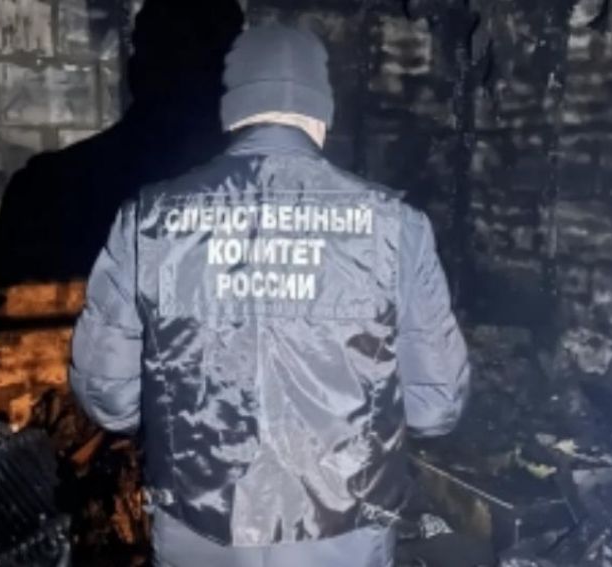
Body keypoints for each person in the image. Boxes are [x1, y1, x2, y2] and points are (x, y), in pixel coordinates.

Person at [70, 23, 470, 567]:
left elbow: (109, 400)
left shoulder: (150, 219)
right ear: (322, 114)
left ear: (232, 113)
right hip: (344, 530)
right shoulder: (396, 225)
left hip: (198, 525)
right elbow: (434, 406)